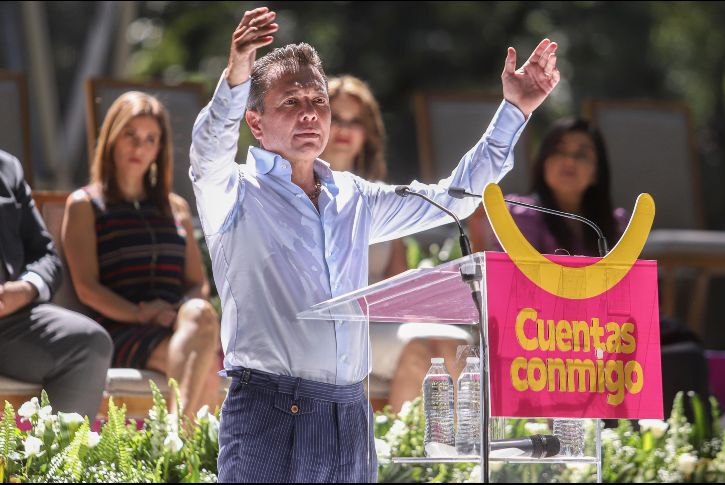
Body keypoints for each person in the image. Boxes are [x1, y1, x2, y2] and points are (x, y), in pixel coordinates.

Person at [190, 6, 559, 482]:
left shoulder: (354, 196)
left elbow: (455, 199)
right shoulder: (231, 191)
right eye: (290, 101)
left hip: (349, 413)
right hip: (270, 410)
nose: (309, 113)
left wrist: (516, 110)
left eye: (317, 100)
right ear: (256, 124)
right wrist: (238, 71)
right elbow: (208, 147)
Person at [61, 92, 222, 418]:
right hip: (119, 328)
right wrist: (141, 313)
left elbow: (196, 283)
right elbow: (86, 287)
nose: (139, 148)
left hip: (176, 325)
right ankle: (183, 450)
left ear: (159, 147)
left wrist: (174, 312)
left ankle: (174, 443)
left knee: (200, 312)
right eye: (130, 135)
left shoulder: (174, 206)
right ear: (112, 138)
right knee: (200, 362)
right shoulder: (85, 205)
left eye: (150, 139)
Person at [319, 74, 473, 411]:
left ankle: (454, 457)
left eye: (355, 121)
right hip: (329, 326)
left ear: (367, 132)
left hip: (381, 322)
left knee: (455, 342)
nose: (345, 129)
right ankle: (400, 455)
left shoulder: (379, 198)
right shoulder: (305, 190)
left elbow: (400, 289)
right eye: (337, 118)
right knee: (419, 349)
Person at [0, 149, 112, 420]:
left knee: (90, 345)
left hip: (10, 320)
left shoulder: (7, 168)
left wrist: (26, 289)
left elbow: (46, 257)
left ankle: (59, 461)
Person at [471, 117, 629, 256]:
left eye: (581, 155)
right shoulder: (521, 212)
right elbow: (517, 278)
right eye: (559, 151)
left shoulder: (617, 223)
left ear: (597, 173)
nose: (569, 161)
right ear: (543, 163)